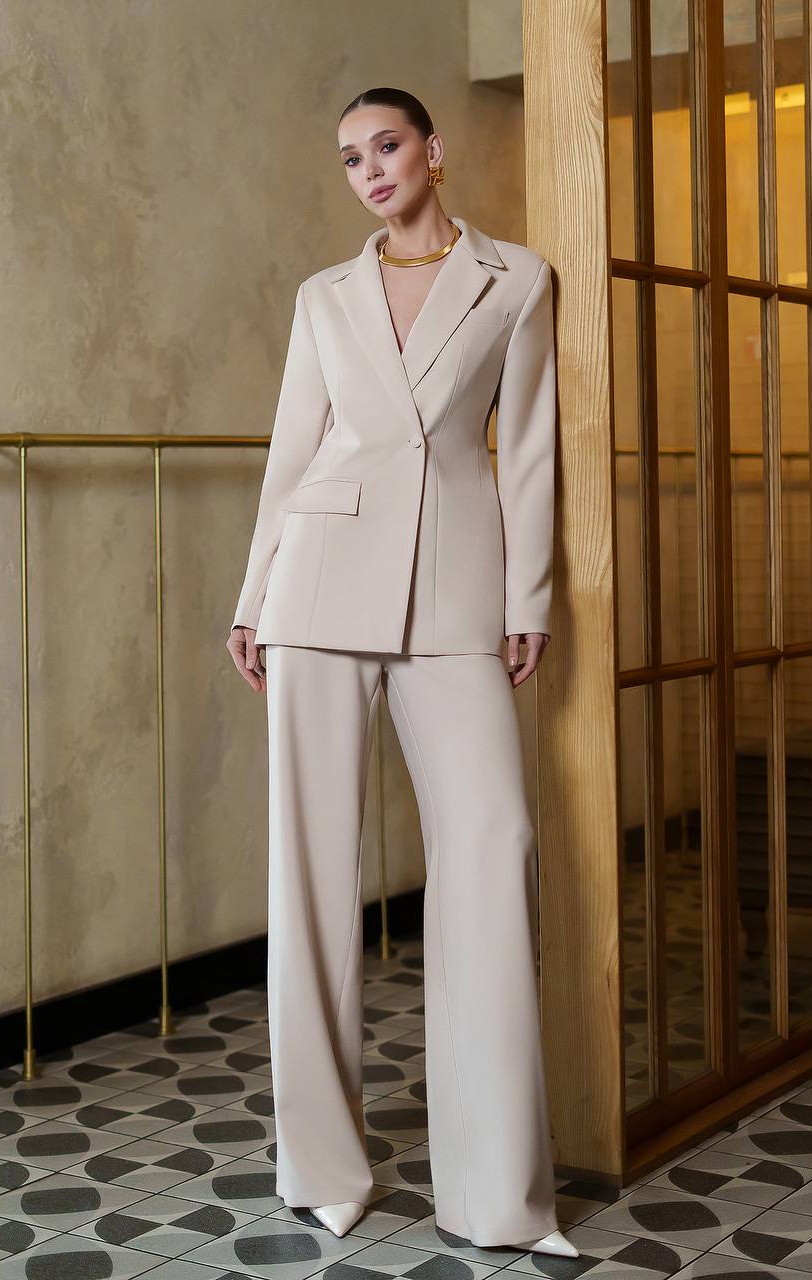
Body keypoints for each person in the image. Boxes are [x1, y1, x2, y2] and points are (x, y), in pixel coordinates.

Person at [226, 86, 576, 1259]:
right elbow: (293, 447)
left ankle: (497, 1194)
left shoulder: (518, 278)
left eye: (385, 146)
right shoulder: (322, 297)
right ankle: (322, 1166)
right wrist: (251, 592)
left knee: (492, 844)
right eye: (349, 159)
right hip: (317, 582)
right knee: (313, 873)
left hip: (458, 591)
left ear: (433, 149)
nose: (369, 170)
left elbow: (523, 446)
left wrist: (526, 595)